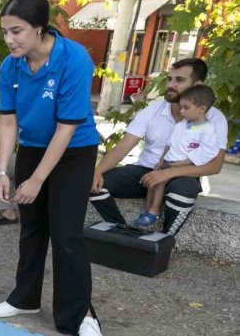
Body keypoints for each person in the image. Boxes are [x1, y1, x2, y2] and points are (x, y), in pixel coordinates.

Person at [0, 0, 103, 336]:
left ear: (39, 28)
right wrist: (5, 171)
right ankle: (26, 297)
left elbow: (66, 128)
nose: (10, 39)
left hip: (74, 152)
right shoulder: (11, 66)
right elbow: (8, 122)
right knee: (32, 229)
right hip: (35, 146)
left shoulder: (74, 59)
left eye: (17, 31)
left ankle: (81, 315)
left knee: (67, 234)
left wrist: (37, 180)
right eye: (5, 32)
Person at [90, 58, 228, 236]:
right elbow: (123, 146)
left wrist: (167, 173)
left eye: (179, 80)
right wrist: (98, 171)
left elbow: (215, 166)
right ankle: (123, 232)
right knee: (92, 184)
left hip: (183, 173)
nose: (171, 85)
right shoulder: (153, 110)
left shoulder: (214, 118)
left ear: (197, 84)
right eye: (169, 79)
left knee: (182, 193)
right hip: (145, 172)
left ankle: (163, 242)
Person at [136, 85, 220, 227]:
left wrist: (186, 162)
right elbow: (170, 144)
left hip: (185, 168)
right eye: (181, 107)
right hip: (169, 162)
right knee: (153, 181)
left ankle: (154, 211)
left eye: (186, 108)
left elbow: (209, 151)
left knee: (160, 182)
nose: (181, 111)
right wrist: (161, 160)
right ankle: (148, 210)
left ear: (202, 109)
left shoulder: (208, 129)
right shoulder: (182, 125)